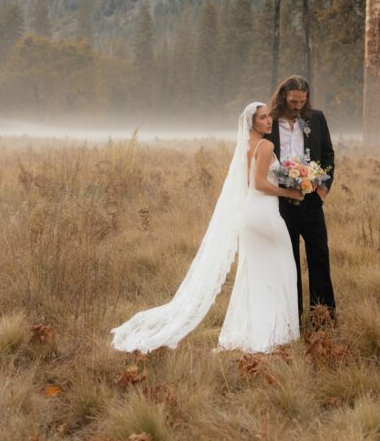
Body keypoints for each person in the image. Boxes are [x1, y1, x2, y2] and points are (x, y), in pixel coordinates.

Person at [111, 102, 303, 354]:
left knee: (256, 274)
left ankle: (258, 330)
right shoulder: (265, 146)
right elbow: (258, 184)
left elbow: (249, 183)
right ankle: (275, 332)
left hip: (250, 215)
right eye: (263, 118)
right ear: (252, 122)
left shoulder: (245, 145)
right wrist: (290, 191)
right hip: (265, 213)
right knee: (282, 268)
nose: (269, 121)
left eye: (270, 117)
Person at [269, 75, 336, 320]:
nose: (297, 106)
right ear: (284, 96)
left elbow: (328, 155)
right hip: (280, 201)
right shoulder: (271, 121)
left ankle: (323, 316)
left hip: (312, 199)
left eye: (301, 101)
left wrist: (323, 191)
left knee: (319, 255)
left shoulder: (316, 118)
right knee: (289, 260)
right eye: (293, 101)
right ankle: (291, 318)